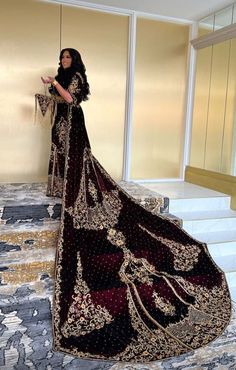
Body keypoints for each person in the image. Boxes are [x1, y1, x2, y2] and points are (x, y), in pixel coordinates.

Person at [41, 48, 231, 363]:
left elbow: (71, 100)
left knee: (80, 162)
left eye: (67, 58)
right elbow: (59, 100)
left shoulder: (74, 78)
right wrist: (49, 90)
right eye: (61, 58)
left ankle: (79, 193)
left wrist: (55, 87)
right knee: (63, 156)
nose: (63, 62)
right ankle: (66, 188)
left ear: (74, 61)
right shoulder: (62, 78)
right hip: (62, 122)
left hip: (73, 122)